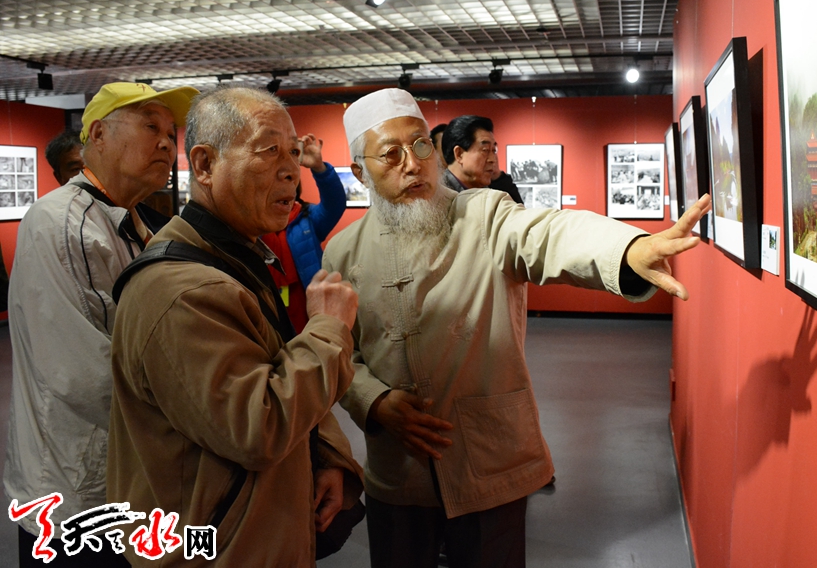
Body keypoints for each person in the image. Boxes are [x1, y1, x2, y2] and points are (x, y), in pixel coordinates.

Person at [322, 88, 712, 568]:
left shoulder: (482, 214)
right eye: (390, 154)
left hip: (489, 460)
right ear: (359, 171)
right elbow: (340, 353)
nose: (413, 164)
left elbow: (548, 234)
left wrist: (629, 250)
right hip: (398, 469)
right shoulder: (341, 253)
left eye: (421, 145)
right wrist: (375, 402)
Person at [107, 86, 363, 566]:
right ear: (205, 165)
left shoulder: (235, 256)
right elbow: (259, 426)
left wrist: (325, 455)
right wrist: (329, 327)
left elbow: (274, 364)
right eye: (269, 151)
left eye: (293, 152)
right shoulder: (183, 292)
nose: (291, 171)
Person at [4, 81, 199, 567]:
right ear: (98, 135)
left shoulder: (133, 222)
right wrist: (202, 414)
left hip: (127, 481)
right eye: (150, 126)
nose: (165, 143)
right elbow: (82, 372)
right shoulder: (61, 222)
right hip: (76, 492)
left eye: (169, 132)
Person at [262, 133, 347, 332]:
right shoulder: (254, 222)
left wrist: (319, 167)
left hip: (307, 306)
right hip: (266, 305)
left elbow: (334, 203)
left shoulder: (307, 218)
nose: (284, 189)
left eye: (290, 183)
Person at [440, 115, 497, 191]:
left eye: (494, 150)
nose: (493, 159)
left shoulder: (490, 195)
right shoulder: (437, 194)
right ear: (459, 154)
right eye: (485, 150)